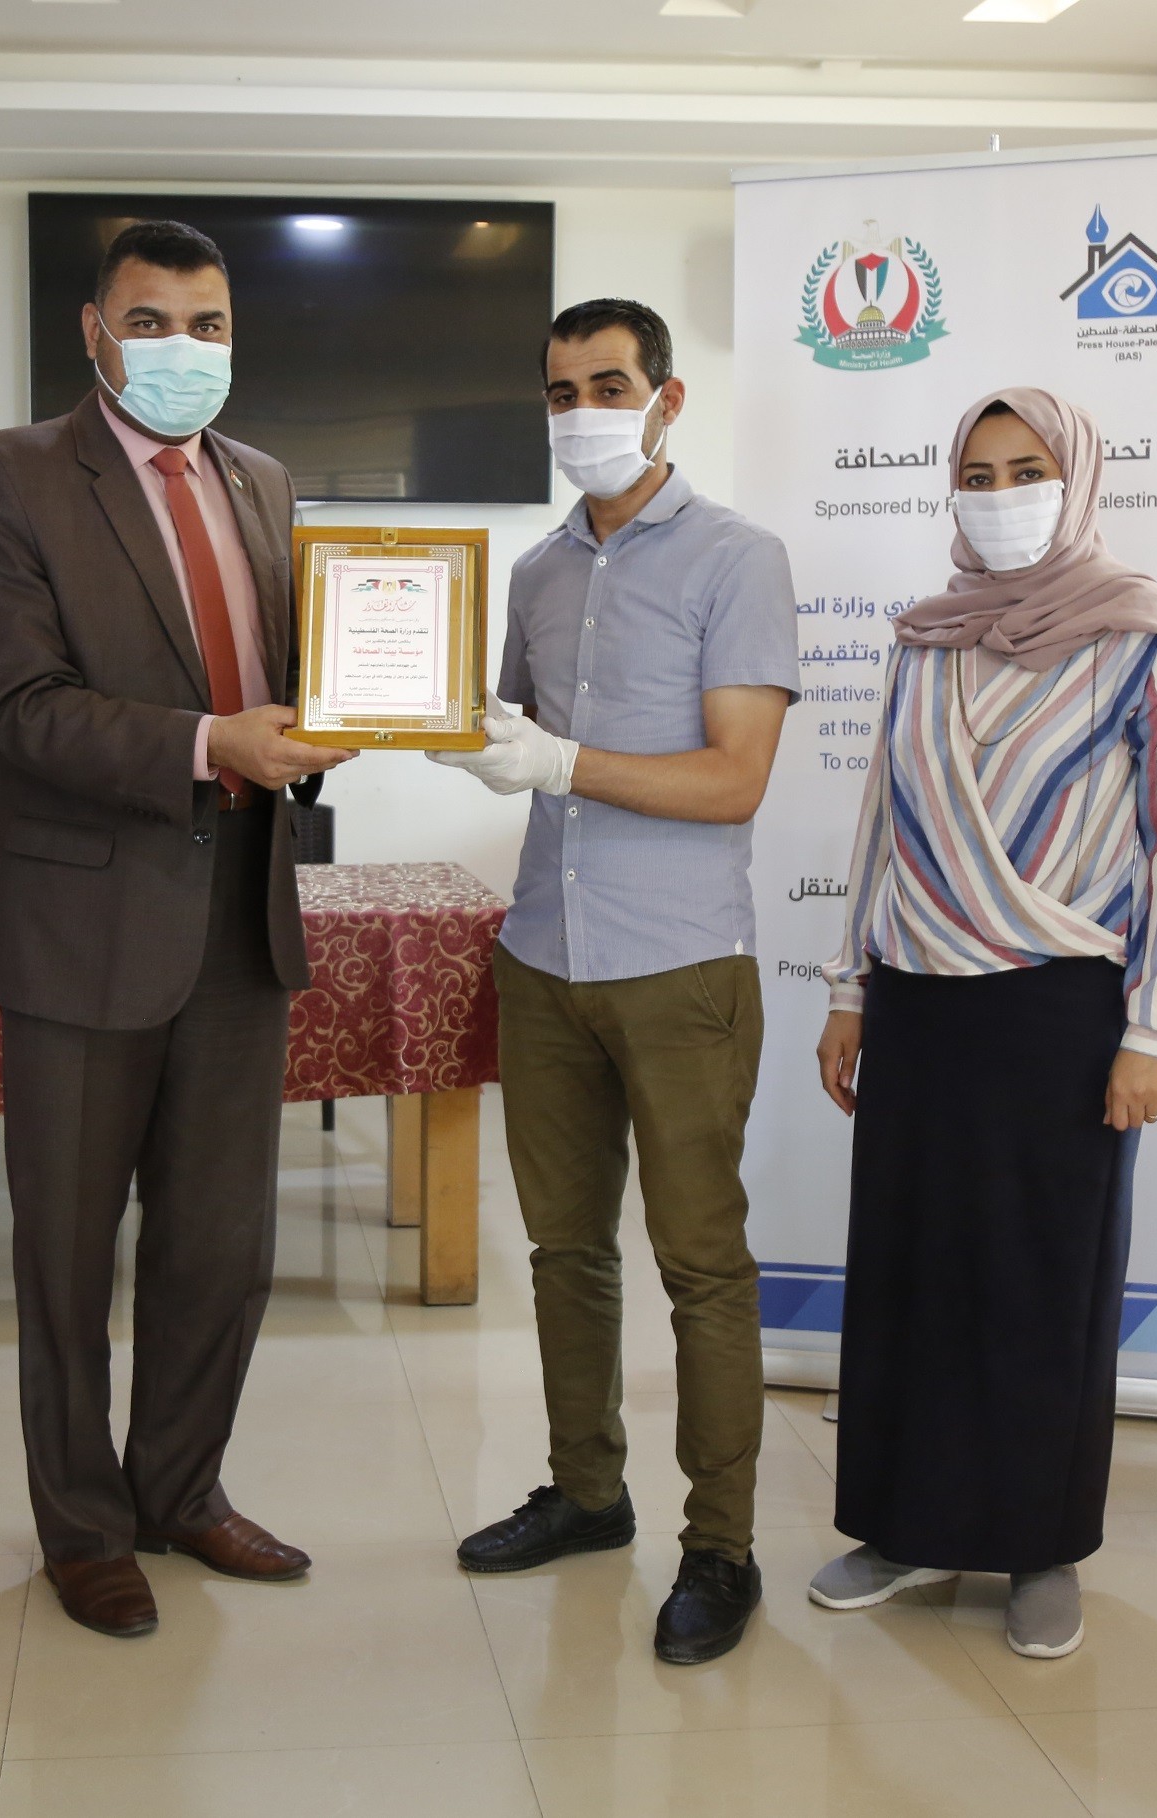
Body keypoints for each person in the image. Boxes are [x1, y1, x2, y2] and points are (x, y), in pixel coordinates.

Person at [0, 219, 352, 1640]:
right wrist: (209, 742)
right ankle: (84, 1525)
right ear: (96, 332)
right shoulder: (6, 475)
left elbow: (291, 678)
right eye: (153, 321)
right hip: (81, 925)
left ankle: (181, 1487)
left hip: (240, 911)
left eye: (210, 323)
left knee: (220, 1247)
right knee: (66, 1256)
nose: (186, 347)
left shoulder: (264, 481)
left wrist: (343, 718)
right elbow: (28, 708)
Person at [810, 386, 1157, 1661]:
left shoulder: (1140, 638)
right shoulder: (926, 639)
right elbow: (882, 818)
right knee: (912, 1272)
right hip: (920, 1000)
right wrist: (849, 988)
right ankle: (906, 1525)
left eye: (1027, 470)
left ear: (1078, 479)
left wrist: (1155, 1033)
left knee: (1044, 1280)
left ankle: (1041, 1546)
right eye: (978, 475)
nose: (1000, 497)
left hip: (1061, 1008)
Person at [431, 297, 797, 1666]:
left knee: (700, 1264)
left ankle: (722, 1547)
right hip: (545, 956)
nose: (581, 410)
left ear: (666, 398)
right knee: (565, 1251)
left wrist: (562, 763)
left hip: (679, 964)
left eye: (607, 384)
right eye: (560, 390)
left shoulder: (737, 558)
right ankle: (588, 1491)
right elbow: (511, 728)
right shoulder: (535, 572)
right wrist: (443, 726)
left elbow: (736, 780)